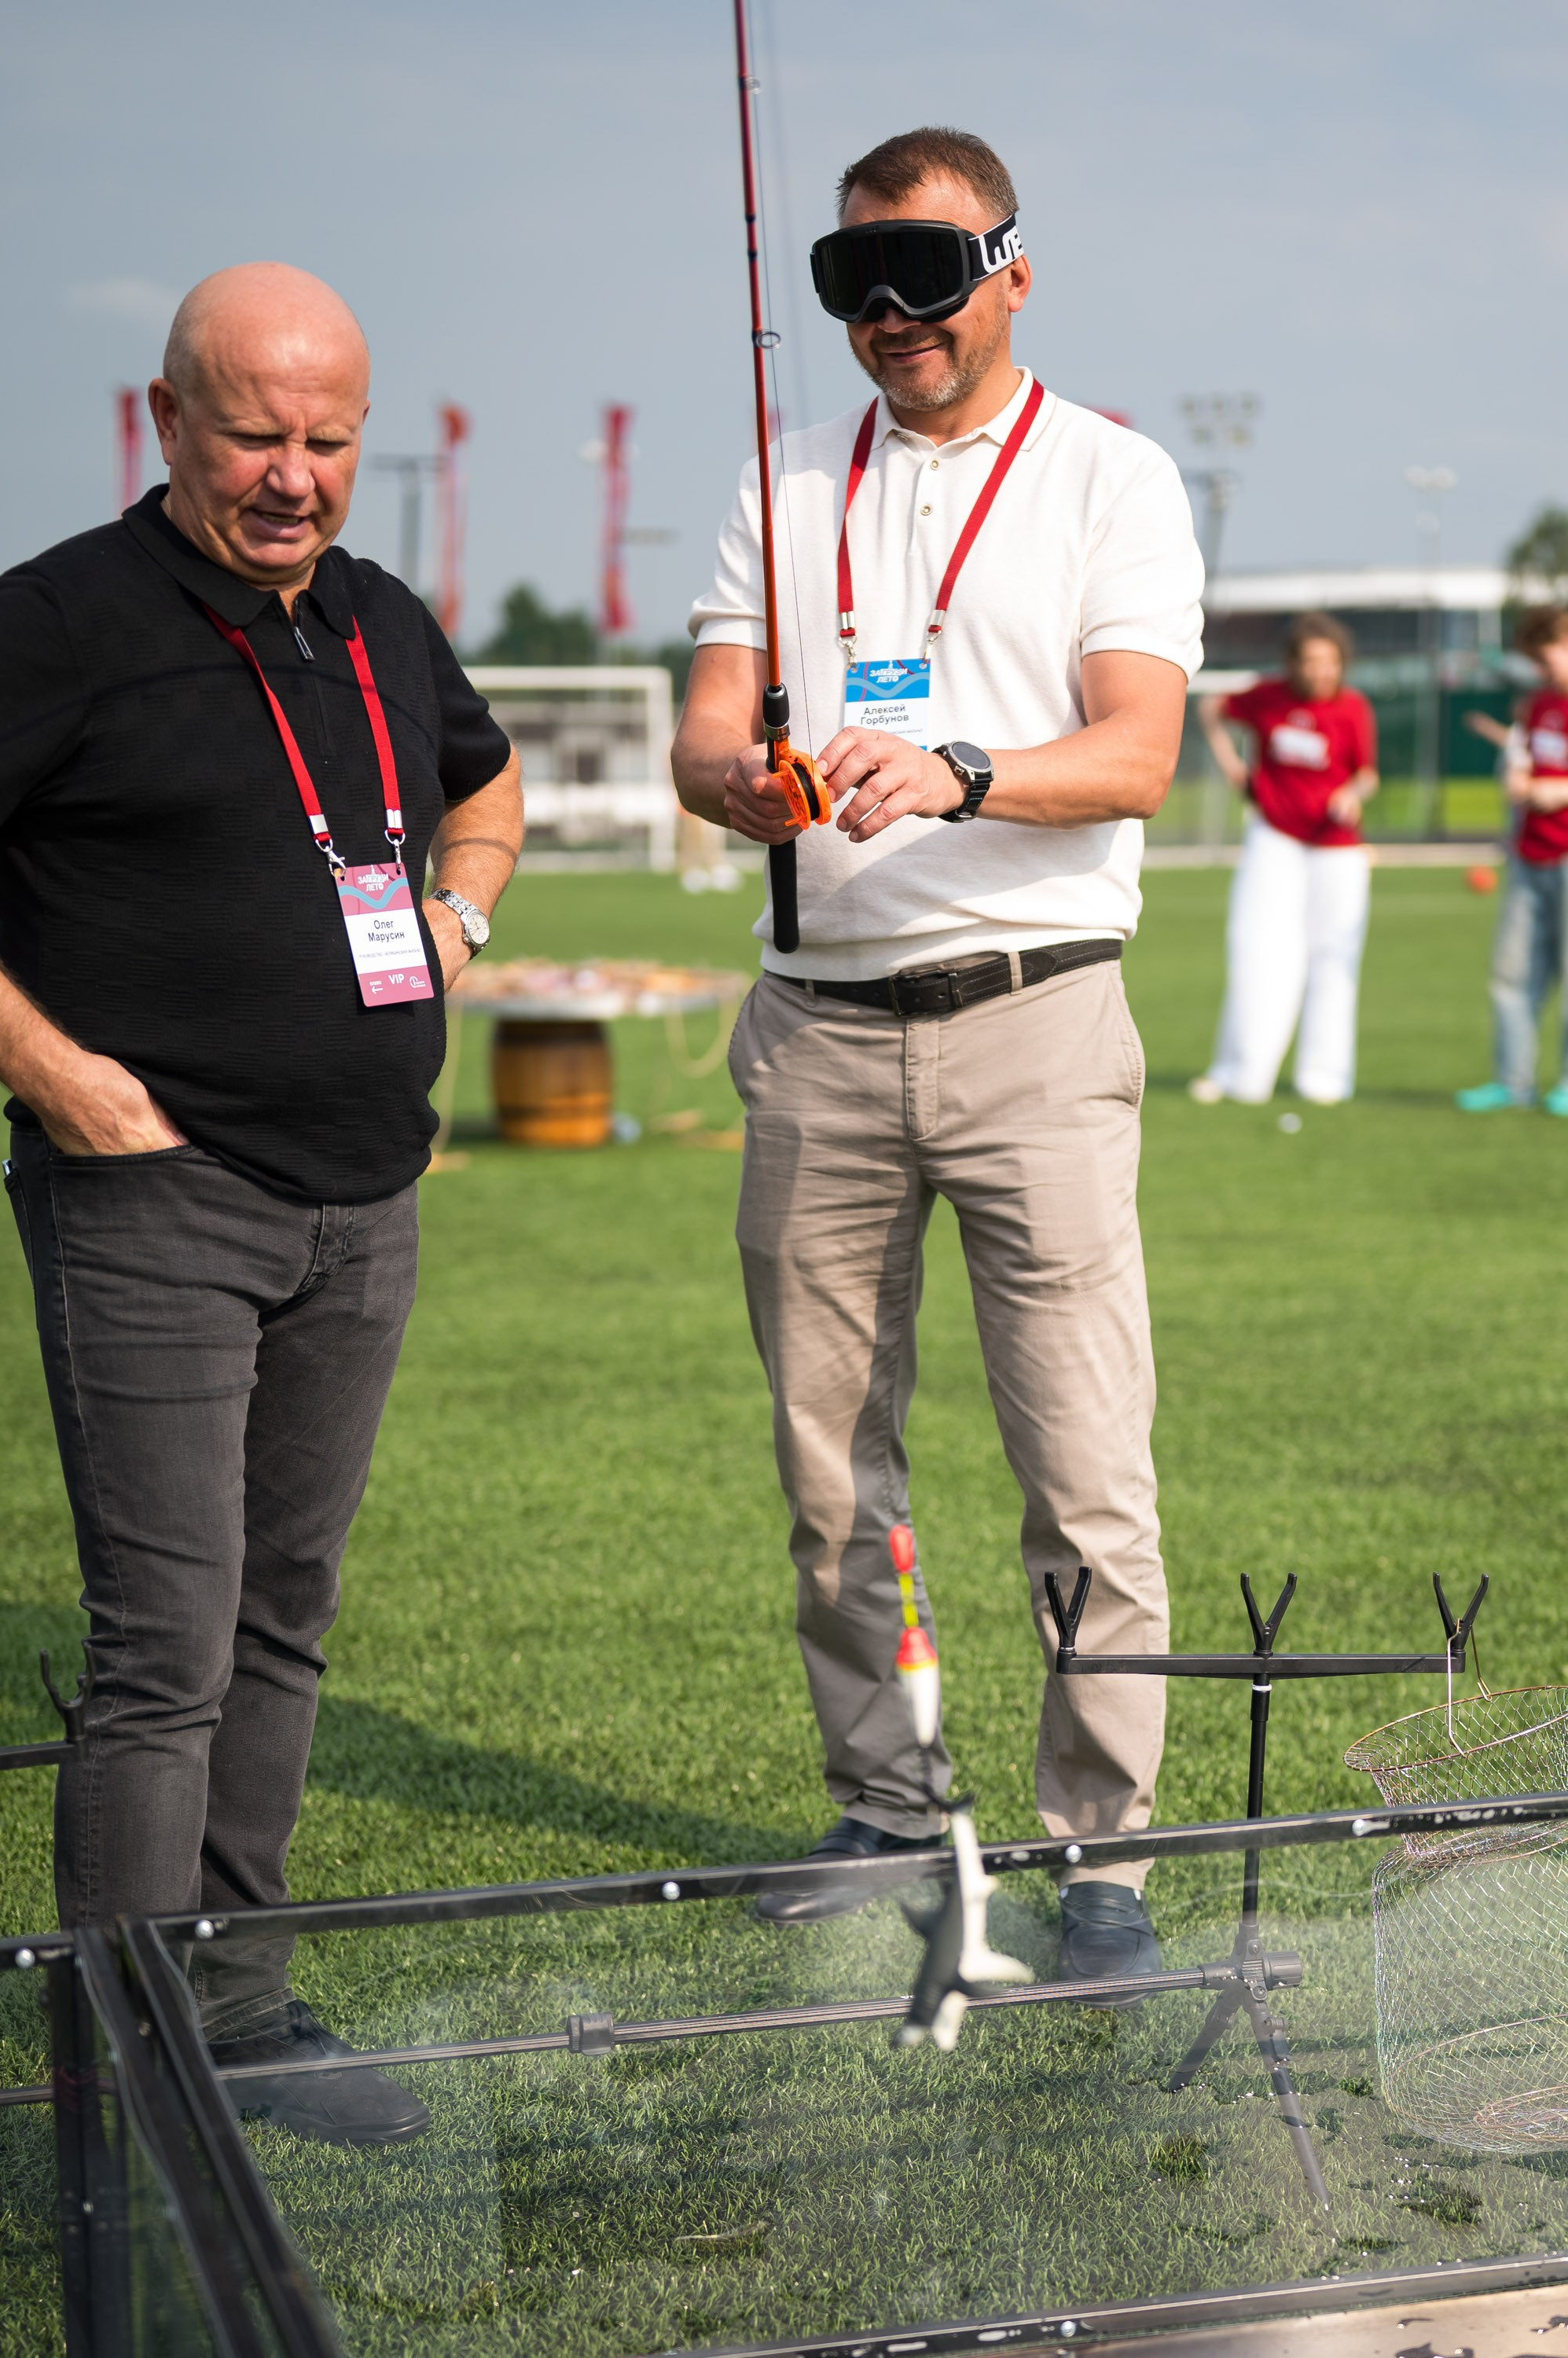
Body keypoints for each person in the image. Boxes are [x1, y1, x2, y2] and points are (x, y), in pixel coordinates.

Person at [672, 128, 1203, 1982]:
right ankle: (889, 1801)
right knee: (835, 1469)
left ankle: (1103, 1859)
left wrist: (965, 766)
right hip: (813, 1033)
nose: (890, 313)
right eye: (850, 282)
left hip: (1036, 1019)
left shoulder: (1112, 479)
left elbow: (1138, 753)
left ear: (1012, 268)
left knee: (1084, 1457)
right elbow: (703, 735)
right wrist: (743, 777)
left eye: (926, 269)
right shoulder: (781, 476)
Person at [0, 263, 523, 2141]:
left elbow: (489, 778)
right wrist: (53, 1072)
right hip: (156, 1202)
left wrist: (458, 912)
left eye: (328, 440)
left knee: (284, 1613)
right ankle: (119, 2070)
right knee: (167, 1636)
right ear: (165, 421)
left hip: (361, 1201)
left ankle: (240, 2010)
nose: (294, 476)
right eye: (255, 435)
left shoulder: (376, 618)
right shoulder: (61, 617)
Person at [1189, 615, 1379, 1107]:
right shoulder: (1267, 696)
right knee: (1257, 949)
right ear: (1293, 663)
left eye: (1330, 663)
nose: (1321, 672)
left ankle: (1326, 1079)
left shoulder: (1353, 707)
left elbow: (1367, 775)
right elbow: (1211, 709)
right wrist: (1234, 766)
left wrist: (1351, 794)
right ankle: (1241, 1074)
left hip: (1336, 849)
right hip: (1274, 838)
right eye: (1311, 662)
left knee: (1333, 959)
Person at [1456, 606, 1568, 1115]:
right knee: (1512, 973)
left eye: (1546, 658)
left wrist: (1559, 789)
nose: (1541, 670)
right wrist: (1517, 779)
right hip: (1530, 858)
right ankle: (1514, 1082)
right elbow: (1521, 759)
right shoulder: (1536, 706)